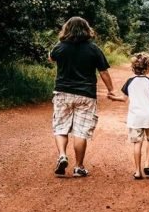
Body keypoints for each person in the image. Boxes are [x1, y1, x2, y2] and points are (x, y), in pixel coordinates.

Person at [49, 16, 116, 178]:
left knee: (60, 126)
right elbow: (103, 72)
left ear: (67, 29)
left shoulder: (60, 47)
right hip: (86, 95)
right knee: (80, 131)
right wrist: (111, 89)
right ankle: (79, 167)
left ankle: (62, 155)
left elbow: (51, 58)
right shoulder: (93, 48)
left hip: (63, 92)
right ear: (87, 30)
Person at [109, 52, 149, 179]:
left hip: (135, 118)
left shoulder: (130, 82)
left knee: (137, 143)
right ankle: (147, 163)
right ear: (148, 68)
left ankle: (138, 171)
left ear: (133, 68)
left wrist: (113, 98)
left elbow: (123, 99)